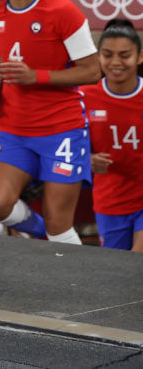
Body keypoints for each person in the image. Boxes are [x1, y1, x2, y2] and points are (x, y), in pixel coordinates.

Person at [0, 0, 100, 244]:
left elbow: (92, 71)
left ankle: (73, 282)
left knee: (60, 226)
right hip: (14, 129)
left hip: (62, 129)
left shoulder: (62, 11)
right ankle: (40, 233)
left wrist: (37, 77)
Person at [81, 19, 143, 251]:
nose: (116, 62)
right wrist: (86, 159)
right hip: (110, 202)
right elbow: (64, 143)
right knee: (119, 271)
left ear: (139, 57)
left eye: (124, 55)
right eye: (107, 55)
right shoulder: (84, 96)